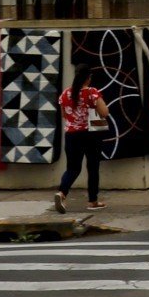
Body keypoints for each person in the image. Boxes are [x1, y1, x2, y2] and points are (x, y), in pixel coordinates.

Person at [54, 72, 110, 213]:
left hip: (71, 135)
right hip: (90, 134)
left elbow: (64, 115)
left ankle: (61, 193)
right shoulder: (92, 92)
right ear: (88, 78)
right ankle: (93, 201)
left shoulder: (66, 93)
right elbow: (104, 112)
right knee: (92, 167)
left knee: (72, 168)